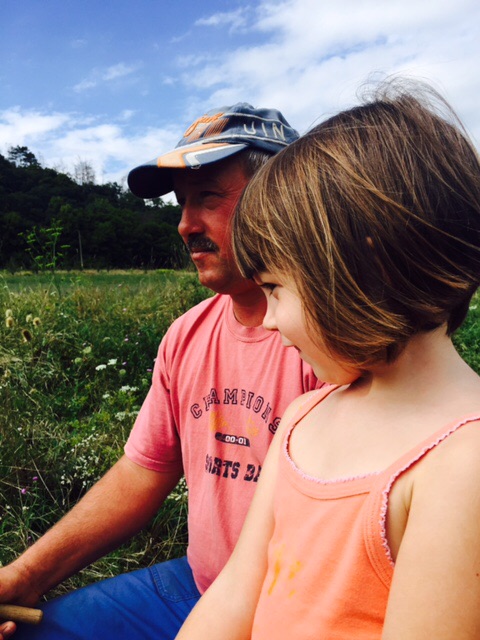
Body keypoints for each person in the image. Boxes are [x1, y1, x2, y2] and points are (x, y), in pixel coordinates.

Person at [0, 104, 320, 640]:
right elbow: (142, 472)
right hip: (197, 585)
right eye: (181, 203)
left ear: (282, 201)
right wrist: (25, 578)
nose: (184, 224)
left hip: (296, 616)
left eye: (208, 198)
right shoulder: (187, 335)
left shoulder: (333, 341)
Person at [176, 80, 480, 639]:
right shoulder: (305, 417)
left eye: (275, 289)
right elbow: (239, 592)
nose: (267, 321)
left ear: (363, 270)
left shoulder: (464, 467)